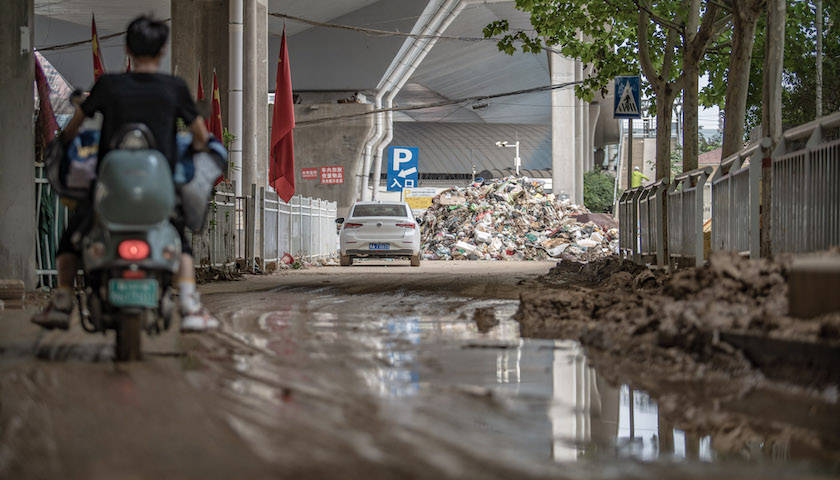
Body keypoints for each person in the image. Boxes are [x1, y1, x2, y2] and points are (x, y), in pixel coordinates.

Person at [32, 16, 218, 332]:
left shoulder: (108, 85)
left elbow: (72, 130)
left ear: (128, 48)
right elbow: (201, 137)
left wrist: (63, 144)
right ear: (162, 51)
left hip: (110, 190)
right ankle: (188, 303)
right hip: (160, 192)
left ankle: (62, 302)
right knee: (179, 238)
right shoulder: (174, 88)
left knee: (72, 237)